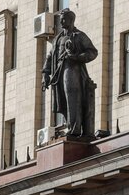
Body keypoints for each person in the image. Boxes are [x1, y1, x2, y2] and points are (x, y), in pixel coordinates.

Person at [41, 8, 99, 138]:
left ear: (71, 20)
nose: (61, 22)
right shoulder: (57, 39)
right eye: (60, 19)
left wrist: (77, 57)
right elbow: (50, 57)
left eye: (64, 19)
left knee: (73, 99)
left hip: (72, 71)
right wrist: (45, 73)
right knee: (63, 101)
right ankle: (70, 125)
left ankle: (75, 129)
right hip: (59, 73)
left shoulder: (79, 35)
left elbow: (92, 52)